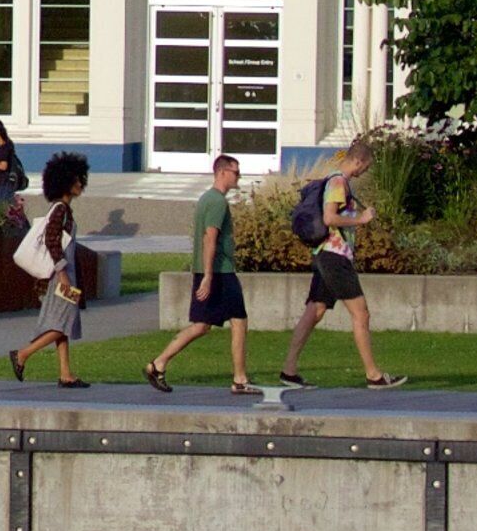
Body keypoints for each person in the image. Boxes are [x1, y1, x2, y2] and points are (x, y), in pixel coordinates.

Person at [280, 143, 408, 389]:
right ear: (358, 161)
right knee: (361, 313)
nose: (364, 171)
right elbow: (329, 218)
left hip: (325, 255)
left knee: (314, 311)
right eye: (366, 167)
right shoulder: (338, 183)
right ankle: (374, 375)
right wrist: (360, 219)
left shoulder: (334, 180)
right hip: (334, 256)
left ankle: (289, 371)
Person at [146, 153, 251, 394]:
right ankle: (240, 379)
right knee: (237, 320)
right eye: (236, 172)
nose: (239, 177)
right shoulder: (216, 202)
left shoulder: (207, 199)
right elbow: (209, 238)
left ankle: (158, 364)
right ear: (222, 172)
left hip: (213, 272)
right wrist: (208, 276)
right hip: (219, 273)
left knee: (203, 325)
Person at [6, 151, 94, 388]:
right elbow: (52, 240)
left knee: (64, 325)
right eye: (76, 180)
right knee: (63, 323)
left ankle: (66, 374)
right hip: (61, 276)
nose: (80, 184)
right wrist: (64, 274)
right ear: (65, 182)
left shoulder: (62, 209)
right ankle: (23, 354)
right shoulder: (61, 211)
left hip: (63, 274)